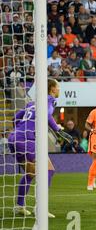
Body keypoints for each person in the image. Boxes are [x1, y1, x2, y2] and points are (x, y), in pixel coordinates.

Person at [8, 79, 73, 217]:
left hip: (14, 138)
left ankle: (19, 206)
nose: (59, 90)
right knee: (49, 170)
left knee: (30, 173)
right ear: (53, 89)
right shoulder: (50, 100)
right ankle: (40, 208)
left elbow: (14, 119)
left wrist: (23, 130)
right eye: (58, 87)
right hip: (27, 140)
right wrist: (57, 129)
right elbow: (46, 114)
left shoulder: (32, 103)